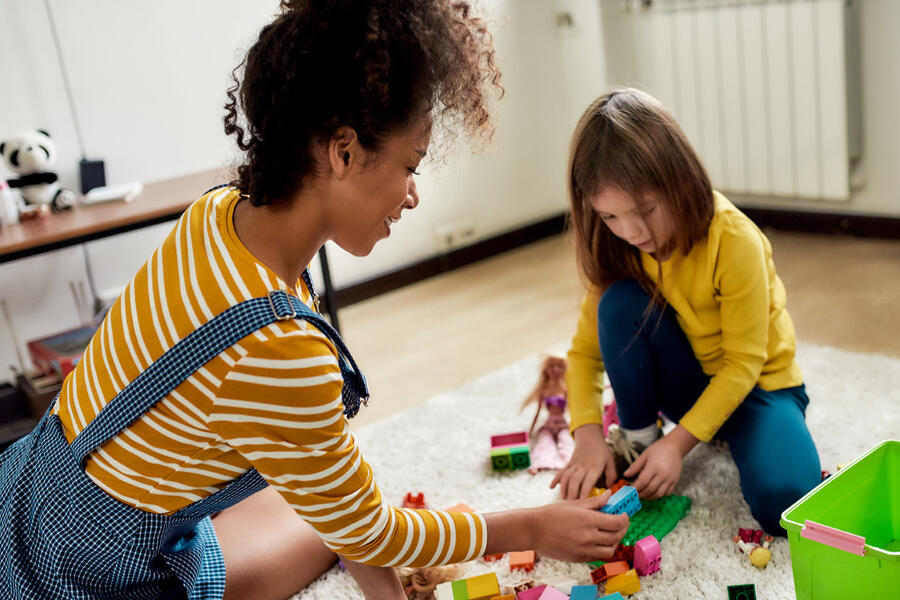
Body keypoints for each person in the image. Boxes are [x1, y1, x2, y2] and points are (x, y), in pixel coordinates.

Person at [0, 3, 630, 599]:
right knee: (329, 522)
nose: (412, 195)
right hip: (86, 578)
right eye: (411, 164)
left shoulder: (217, 215)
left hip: (30, 490)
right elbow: (368, 532)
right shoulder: (279, 349)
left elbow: (335, 493)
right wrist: (531, 527)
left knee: (318, 493)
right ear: (343, 150)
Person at [551, 88, 821, 535]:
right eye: (611, 217)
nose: (632, 231)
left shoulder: (734, 239)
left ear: (679, 180)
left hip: (759, 387)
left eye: (645, 210)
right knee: (620, 304)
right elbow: (583, 355)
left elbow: (743, 363)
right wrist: (587, 436)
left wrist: (679, 445)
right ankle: (639, 440)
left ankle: (699, 439)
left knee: (787, 507)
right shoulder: (617, 248)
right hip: (688, 381)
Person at [521, 355, 575, 474]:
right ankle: (539, 463)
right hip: (549, 423)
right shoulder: (544, 391)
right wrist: (531, 430)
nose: (555, 369)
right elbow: (537, 412)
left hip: (563, 424)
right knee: (543, 441)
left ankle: (568, 463)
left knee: (566, 441)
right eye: (551, 366)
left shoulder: (565, 389)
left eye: (559, 366)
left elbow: (572, 410)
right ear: (546, 369)